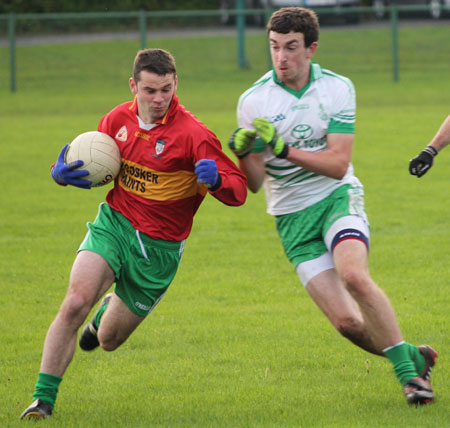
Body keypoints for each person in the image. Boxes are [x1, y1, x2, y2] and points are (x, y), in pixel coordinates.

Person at [20, 48, 247, 420]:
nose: (159, 99)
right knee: (76, 301)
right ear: (133, 86)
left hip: (159, 251)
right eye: (150, 91)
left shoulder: (194, 135)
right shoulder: (115, 120)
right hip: (116, 223)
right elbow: (93, 161)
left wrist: (219, 179)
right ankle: (42, 401)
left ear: (176, 85)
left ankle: (107, 310)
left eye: (166, 90)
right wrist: (58, 173)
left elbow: (238, 191)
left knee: (108, 341)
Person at [228, 7, 437, 406]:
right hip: (291, 218)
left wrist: (282, 149)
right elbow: (255, 185)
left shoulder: (338, 88)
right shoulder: (253, 100)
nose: (281, 57)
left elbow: (339, 164)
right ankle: (414, 355)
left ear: (312, 48)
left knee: (354, 276)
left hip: (336, 196)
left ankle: (411, 379)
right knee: (346, 324)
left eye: (291, 48)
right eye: (274, 47)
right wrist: (246, 155)